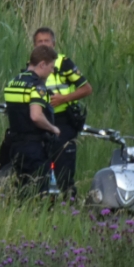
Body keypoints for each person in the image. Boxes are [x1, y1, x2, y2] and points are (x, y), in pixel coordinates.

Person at [33, 27, 93, 197]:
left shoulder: (63, 63)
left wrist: (64, 99)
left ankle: (69, 205)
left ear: (54, 43)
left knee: (64, 169)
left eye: (47, 41)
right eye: (40, 42)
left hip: (63, 120)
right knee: (39, 168)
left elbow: (87, 89)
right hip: (40, 121)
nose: (43, 45)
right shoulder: (32, 65)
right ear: (34, 45)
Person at [2, 45, 61, 197]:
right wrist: (52, 128)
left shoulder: (12, 82)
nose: (52, 71)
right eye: (51, 67)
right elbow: (36, 116)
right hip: (33, 148)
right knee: (39, 193)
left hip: (12, 146)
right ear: (42, 64)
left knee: (20, 192)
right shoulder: (38, 86)